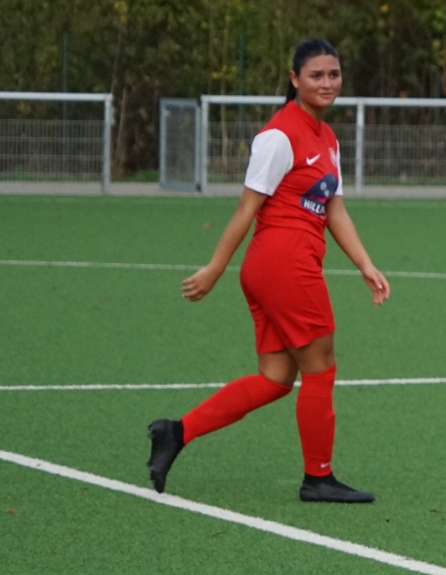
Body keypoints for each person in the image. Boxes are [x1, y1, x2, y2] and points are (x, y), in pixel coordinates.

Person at [147, 37, 389, 501]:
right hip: (284, 264)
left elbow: (334, 209)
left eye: (333, 74)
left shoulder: (327, 138)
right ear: (294, 79)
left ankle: (176, 432)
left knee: (276, 379)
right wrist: (215, 268)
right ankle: (318, 479)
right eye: (316, 75)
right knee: (320, 368)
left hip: (279, 266)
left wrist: (365, 263)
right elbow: (246, 208)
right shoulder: (279, 136)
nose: (327, 83)